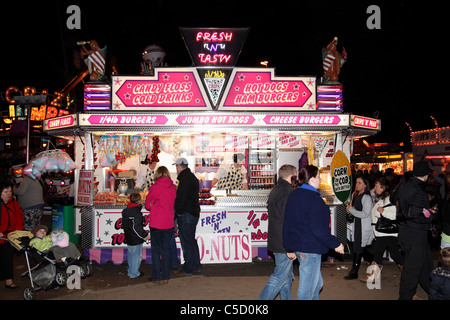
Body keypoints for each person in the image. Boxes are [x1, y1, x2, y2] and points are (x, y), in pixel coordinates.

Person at [283, 165, 345, 300]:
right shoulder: (315, 199)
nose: (320, 179)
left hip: (300, 247)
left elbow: (287, 223)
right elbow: (319, 230)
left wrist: (289, 246)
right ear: (311, 179)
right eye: (318, 176)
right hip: (310, 248)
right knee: (307, 291)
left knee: (316, 285)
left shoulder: (293, 195)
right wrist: (336, 244)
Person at [391, 161, 434, 300]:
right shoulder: (419, 191)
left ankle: (436, 292)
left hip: (405, 231)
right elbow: (416, 214)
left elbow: (393, 198)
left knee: (424, 266)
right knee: (412, 269)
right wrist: (430, 215)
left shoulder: (404, 184)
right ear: (426, 175)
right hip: (415, 233)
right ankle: (405, 297)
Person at [258, 164, 297, 300]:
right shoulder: (286, 192)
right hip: (283, 242)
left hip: (277, 239)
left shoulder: (276, 189)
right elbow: (287, 221)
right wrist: (290, 246)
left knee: (286, 276)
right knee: (280, 277)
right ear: (292, 176)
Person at [360, 177, 404, 283]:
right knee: (385, 254)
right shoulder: (383, 198)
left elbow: (394, 215)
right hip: (382, 232)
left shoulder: (389, 199)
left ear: (383, 187)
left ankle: (374, 276)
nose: (375, 188)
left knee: (381, 254)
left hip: (386, 232)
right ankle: (407, 273)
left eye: (377, 186)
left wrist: (383, 211)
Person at [145, 166, 177, 284]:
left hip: (156, 223)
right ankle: (165, 277)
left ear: (157, 175)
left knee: (155, 251)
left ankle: (156, 277)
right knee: (166, 250)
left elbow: (147, 205)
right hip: (168, 223)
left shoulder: (155, 187)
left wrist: (154, 205)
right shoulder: (173, 187)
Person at [173, 158, 201, 276]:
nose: (176, 169)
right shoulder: (192, 177)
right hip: (193, 212)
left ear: (179, 167)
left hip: (185, 214)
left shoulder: (184, 180)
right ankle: (196, 264)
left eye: (176, 167)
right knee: (191, 240)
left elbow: (181, 200)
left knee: (186, 241)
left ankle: (188, 267)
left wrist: (177, 213)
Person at [344, 176, 374, 280]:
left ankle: (354, 271)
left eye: (360, 183)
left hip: (363, 225)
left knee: (358, 248)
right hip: (357, 225)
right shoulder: (356, 195)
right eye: (356, 182)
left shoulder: (366, 198)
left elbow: (365, 214)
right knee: (358, 247)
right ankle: (373, 261)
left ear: (365, 185)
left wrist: (351, 210)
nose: (357, 184)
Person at [0, 182, 24, 289]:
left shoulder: (13, 203)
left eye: (10, 191)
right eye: (6, 192)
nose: (9, 194)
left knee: (8, 259)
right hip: (1, 236)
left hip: (9, 237)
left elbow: (19, 217)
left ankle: (9, 281)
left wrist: (18, 230)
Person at [121, 192, 149, 279]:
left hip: (129, 236)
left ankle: (131, 271)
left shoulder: (126, 212)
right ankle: (134, 273)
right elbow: (137, 227)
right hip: (136, 238)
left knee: (131, 254)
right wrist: (144, 235)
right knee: (137, 256)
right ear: (139, 201)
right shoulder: (137, 213)